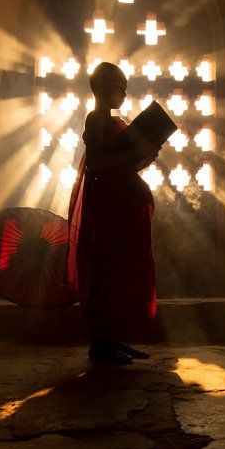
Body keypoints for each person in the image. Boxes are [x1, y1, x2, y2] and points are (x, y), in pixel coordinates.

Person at [64, 61, 161, 364]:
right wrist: (136, 151)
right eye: (121, 87)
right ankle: (102, 343)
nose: (124, 94)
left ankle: (116, 337)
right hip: (110, 205)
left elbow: (124, 165)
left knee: (127, 268)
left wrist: (147, 156)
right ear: (104, 88)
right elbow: (99, 164)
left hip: (124, 200)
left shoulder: (114, 120)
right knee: (110, 268)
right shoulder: (96, 119)